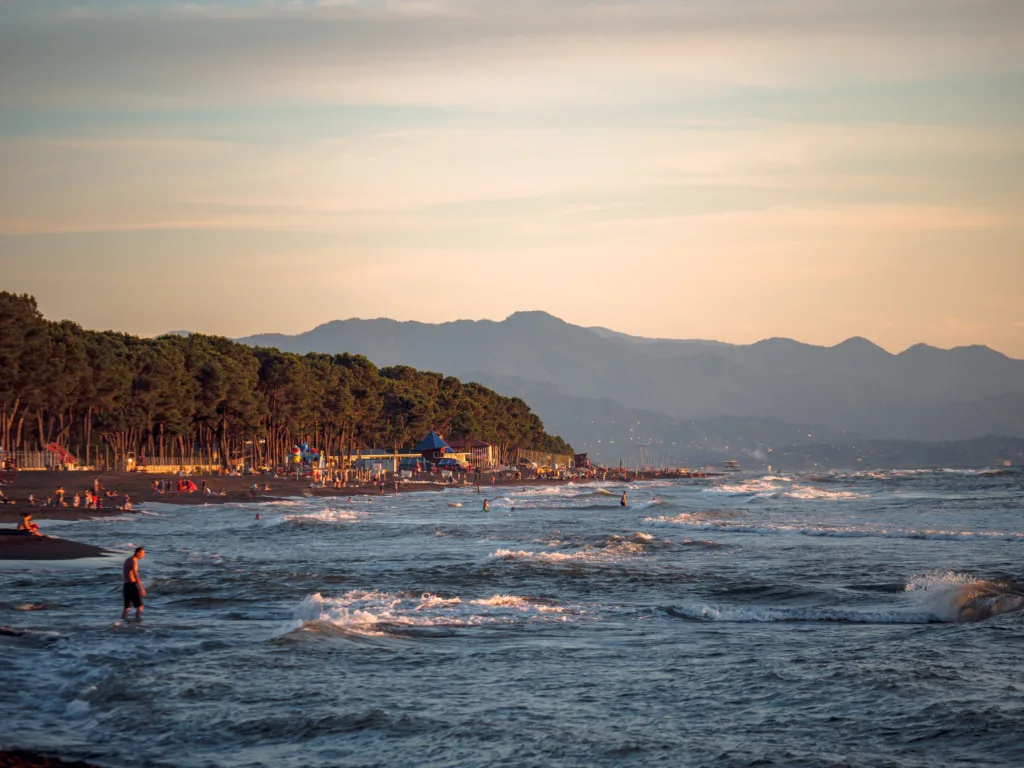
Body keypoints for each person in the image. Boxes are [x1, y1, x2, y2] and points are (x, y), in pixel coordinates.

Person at [122, 547, 147, 623]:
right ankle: (138, 622)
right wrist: (141, 588)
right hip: (132, 585)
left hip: (126, 585)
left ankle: (122, 622)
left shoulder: (127, 560)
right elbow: (136, 575)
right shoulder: (134, 561)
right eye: (143, 553)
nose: (144, 555)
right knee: (140, 606)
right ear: (138, 553)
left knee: (127, 608)